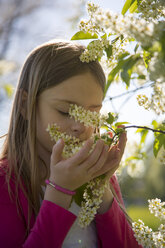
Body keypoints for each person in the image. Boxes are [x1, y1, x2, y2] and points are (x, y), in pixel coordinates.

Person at [0, 39, 142, 248]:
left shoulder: (104, 180)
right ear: (24, 104)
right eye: (66, 112)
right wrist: (60, 192)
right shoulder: (5, 184)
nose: (81, 127)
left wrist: (100, 190)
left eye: (92, 114)